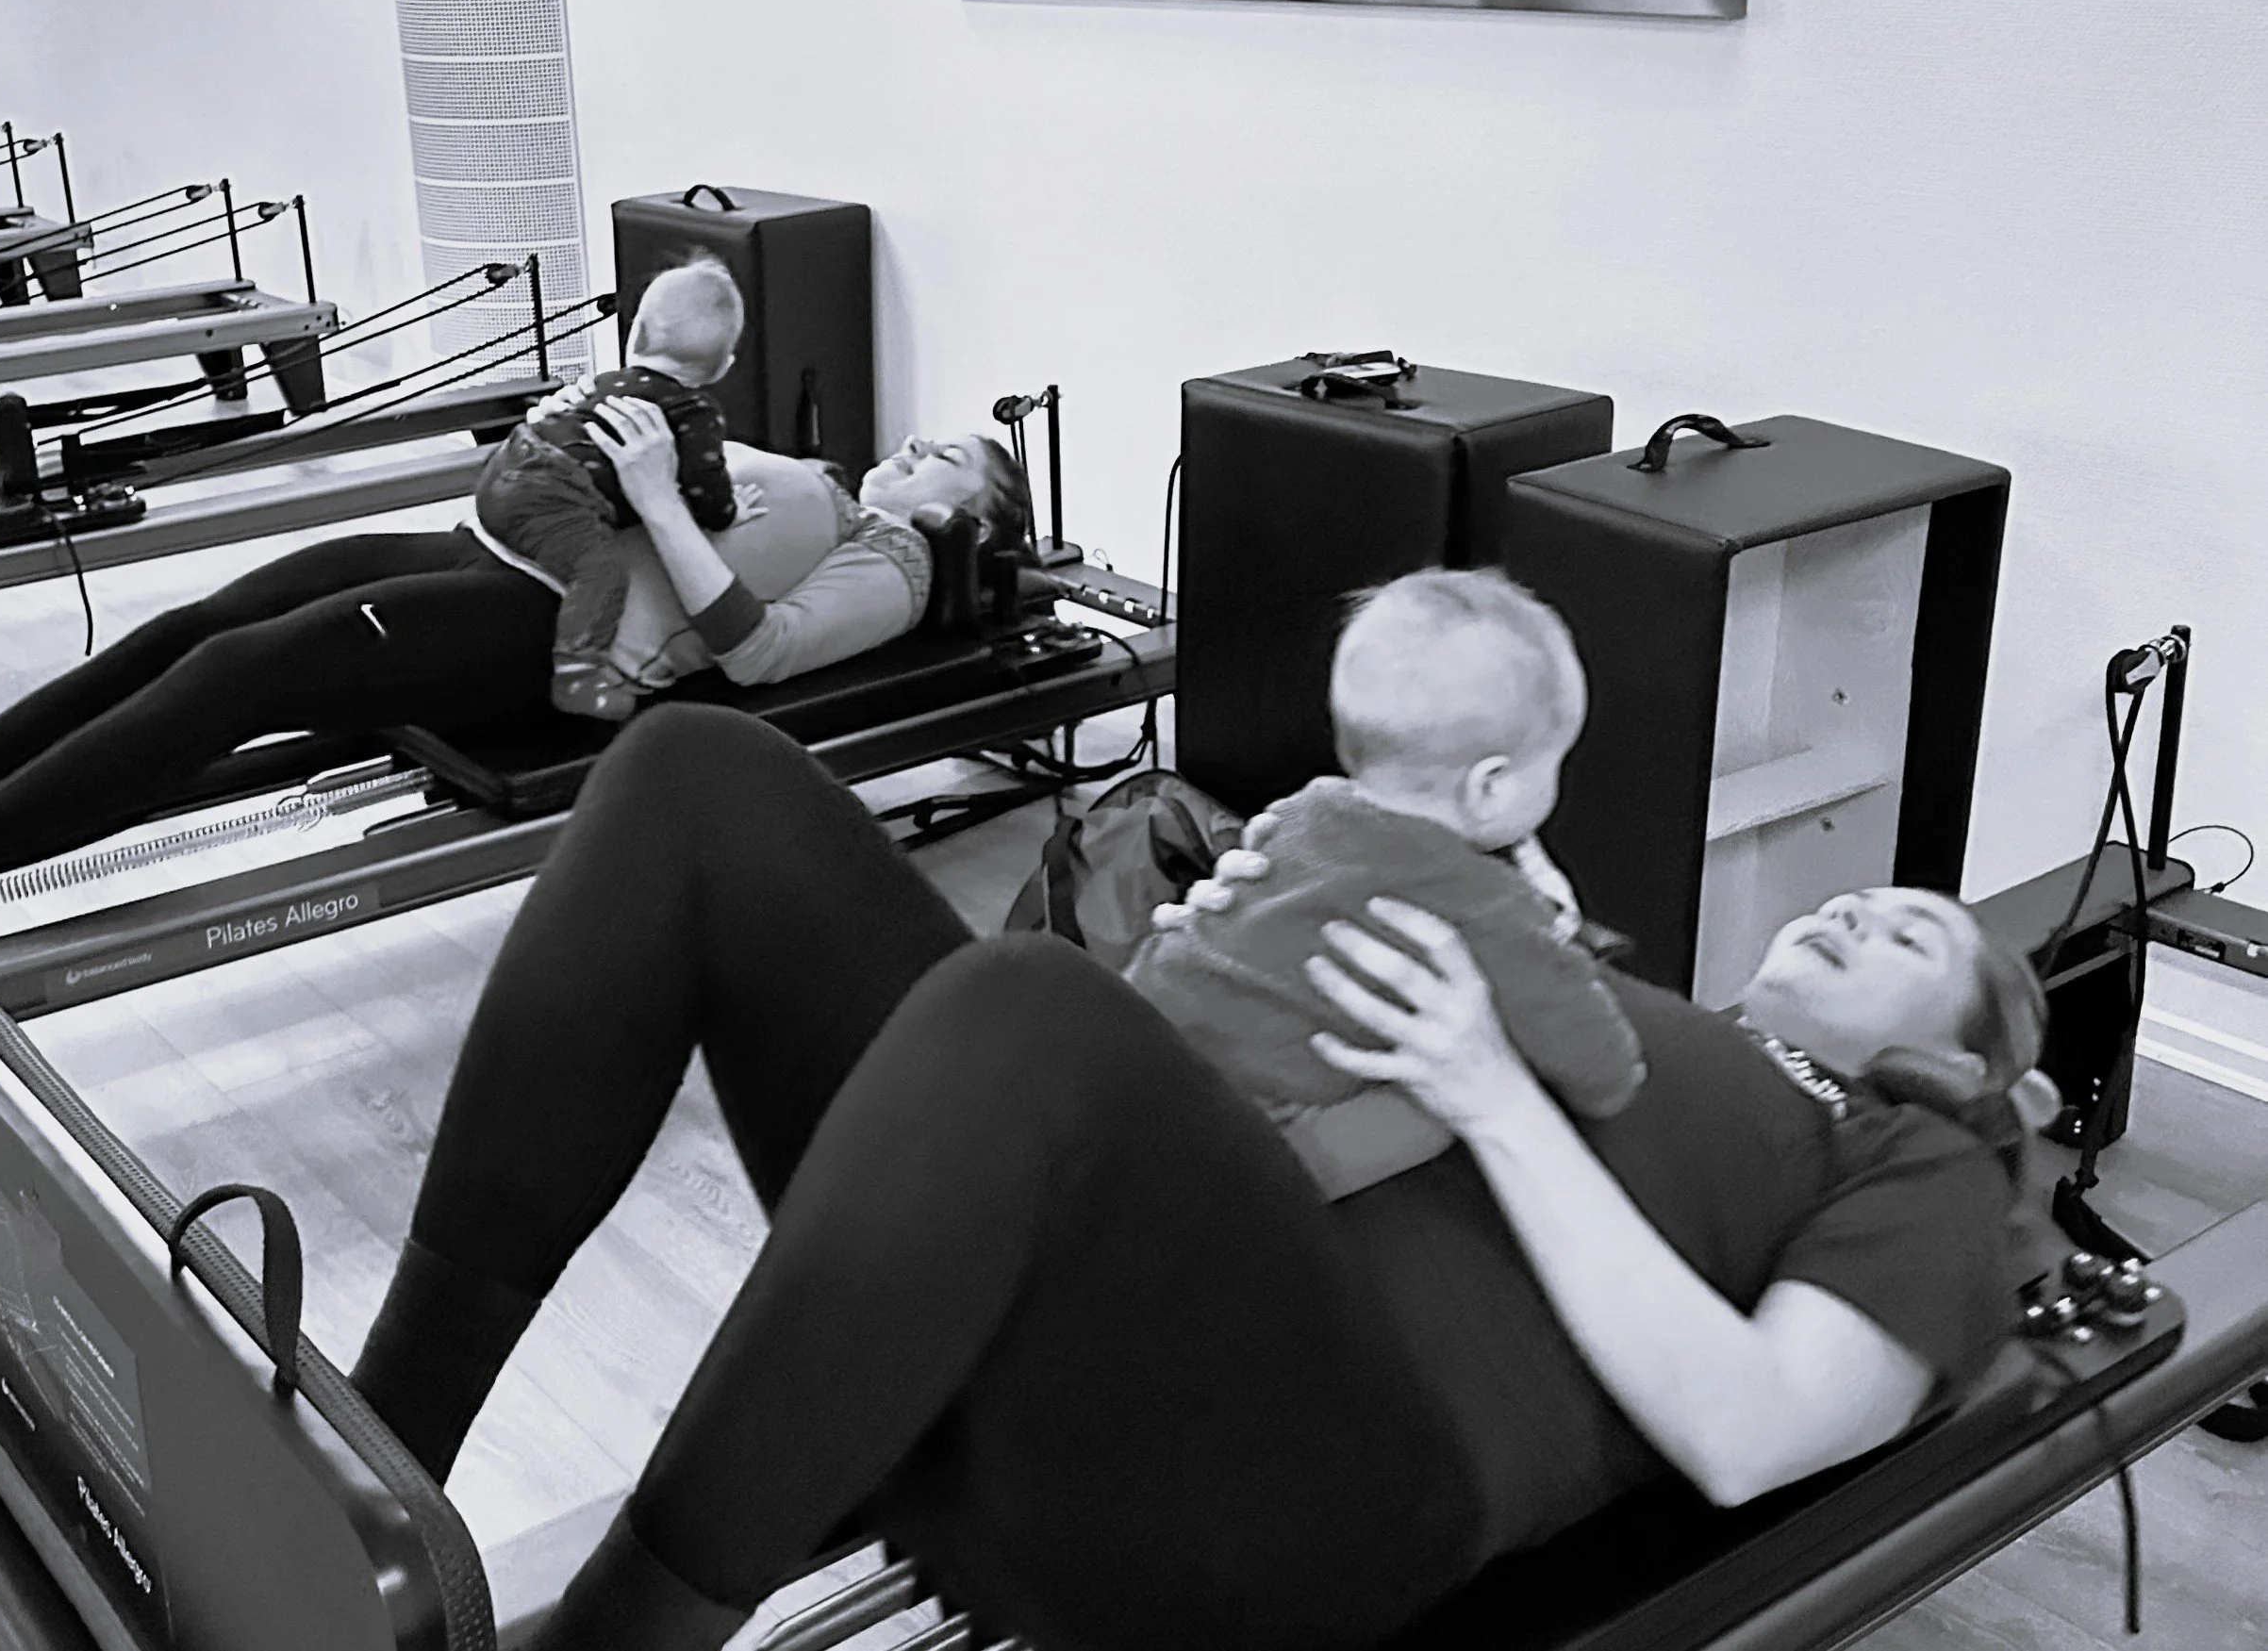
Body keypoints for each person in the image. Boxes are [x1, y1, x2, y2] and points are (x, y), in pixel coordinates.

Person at [345, 704, 2045, 1651]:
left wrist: (1486, 1089)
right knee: (702, 779)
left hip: (1319, 1507)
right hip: (1117, 1342)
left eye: (1912, 933)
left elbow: (1753, 1426)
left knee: (1029, 1009)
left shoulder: (1909, 1159)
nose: (1854, 906)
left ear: (1965, 1060)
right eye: (1859, 894)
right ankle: (365, 1498)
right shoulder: (1620, 995)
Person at [0, 387, 1031, 886]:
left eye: (944, 456)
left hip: (549, 628)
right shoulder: (821, 484)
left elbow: (763, 654)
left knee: (238, 673)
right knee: (193, 626)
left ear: (971, 520)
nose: (912, 442)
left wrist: (660, 497)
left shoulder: (896, 559)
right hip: (480, 547)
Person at [1124, 568, 1645, 1202]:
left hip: (1134, 1040)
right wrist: (1557, 932)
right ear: (1490, 786)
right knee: (1443, 1105)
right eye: (1554, 763)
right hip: (1244, 1146)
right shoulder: (1485, 901)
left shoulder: (1302, 810)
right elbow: (1605, 1075)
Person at [474, 262, 745, 720]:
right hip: (552, 494)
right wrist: (730, 511)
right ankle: (577, 675)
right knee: (603, 571)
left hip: (505, 465)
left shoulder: (605, 382)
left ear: (636, 334)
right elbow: (707, 490)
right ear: (723, 365)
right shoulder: (693, 408)